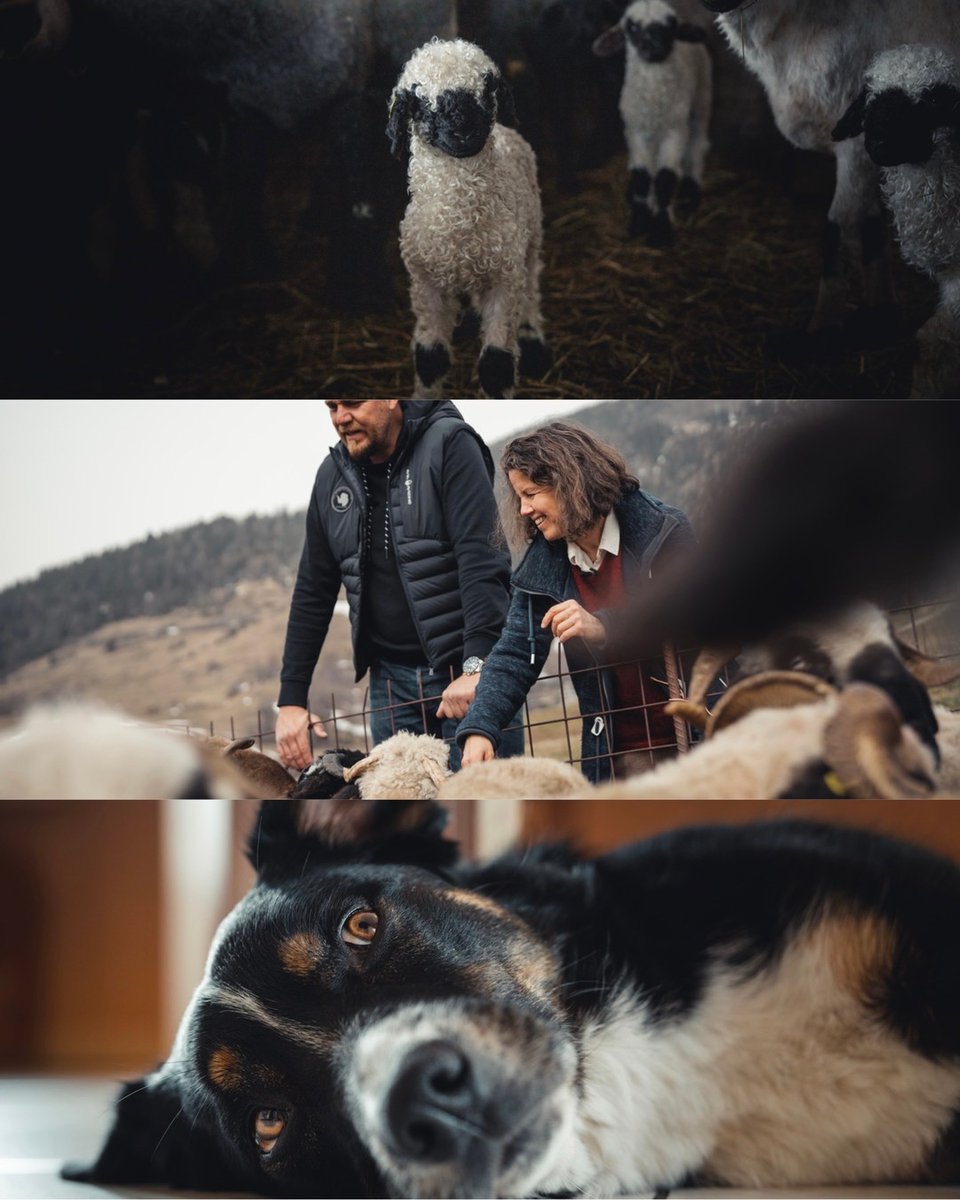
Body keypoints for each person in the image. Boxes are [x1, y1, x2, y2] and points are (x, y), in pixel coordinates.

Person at [276, 400, 524, 772]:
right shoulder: (332, 475)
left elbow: (482, 562)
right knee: (402, 823)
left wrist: (477, 666)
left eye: (353, 402)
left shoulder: (450, 443)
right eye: (331, 407)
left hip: (463, 673)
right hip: (391, 685)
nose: (341, 417)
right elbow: (313, 589)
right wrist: (292, 700)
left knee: (484, 809)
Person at [457, 421, 694, 783]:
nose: (523, 510)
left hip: (696, 740)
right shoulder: (544, 564)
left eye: (532, 493)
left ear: (571, 484)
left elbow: (695, 618)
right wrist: (480, 727)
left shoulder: (661, 531)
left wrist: (605, 627)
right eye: (519, 497)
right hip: (618, 757)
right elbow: (514, 655)